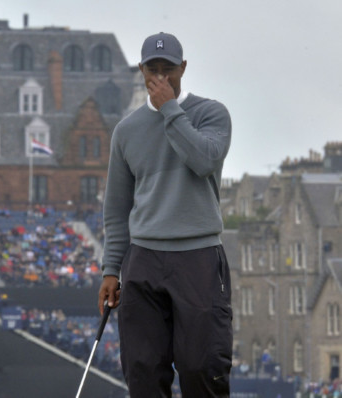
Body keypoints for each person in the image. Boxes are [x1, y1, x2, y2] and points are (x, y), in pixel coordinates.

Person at [97, 32, 233, 397]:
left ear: (183, 68)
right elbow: (117, 207)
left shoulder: (211, 114)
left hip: (199, 257)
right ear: (141, 70)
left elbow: (204, 160)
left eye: (168, 69)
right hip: (143, 259)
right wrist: (111, 269)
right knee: (143, 370)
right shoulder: (126, 131)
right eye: (152, 69)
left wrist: (171, 109)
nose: (160, 77)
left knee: (201, 367)